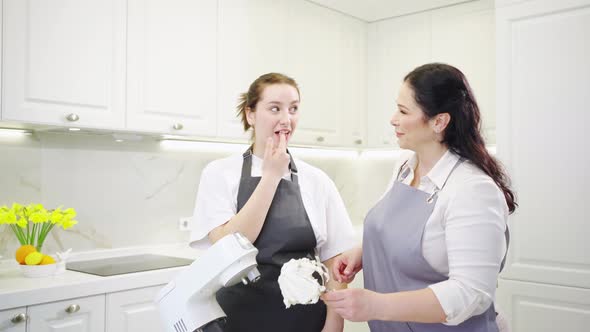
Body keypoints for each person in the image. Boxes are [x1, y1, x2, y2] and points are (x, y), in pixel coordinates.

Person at [322, 63, 517, 332]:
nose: (393, 119)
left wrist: (376, 306)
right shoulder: (405, 166)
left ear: (439, 121)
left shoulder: (472, 190)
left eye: (403, 111)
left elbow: (471, 293)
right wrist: (364, 253)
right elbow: (405, 233)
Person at [189, 72, 355, 332]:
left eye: (294, 109)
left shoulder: (317, 180)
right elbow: (229, 247)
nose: (286, 119)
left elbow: (336, 264)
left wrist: (333, 327)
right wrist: (271, 176)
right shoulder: (219, 173)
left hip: (305, 322)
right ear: (250, 114)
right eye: (274, 108)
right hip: (236, 321)